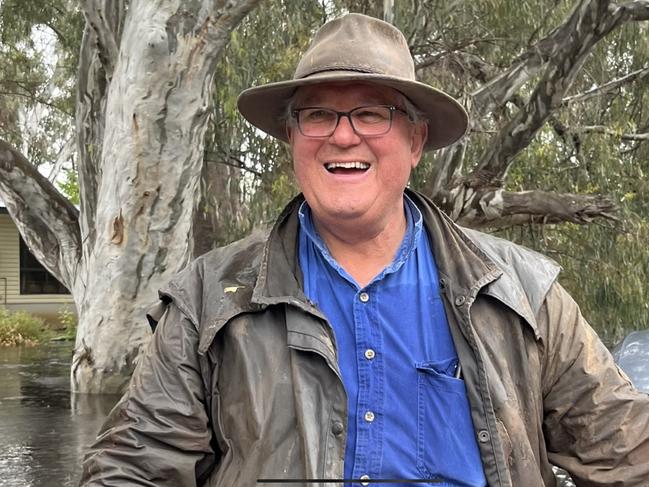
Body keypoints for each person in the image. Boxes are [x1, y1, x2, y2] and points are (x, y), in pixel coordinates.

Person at [80, 13, 649, 487]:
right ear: (292, 140)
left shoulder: (522, 294)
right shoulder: (208, 302)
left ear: (416, 140)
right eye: (318, 114)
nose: (343, 135)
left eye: (373, 113)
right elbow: (134, 467)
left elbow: (626, 452)